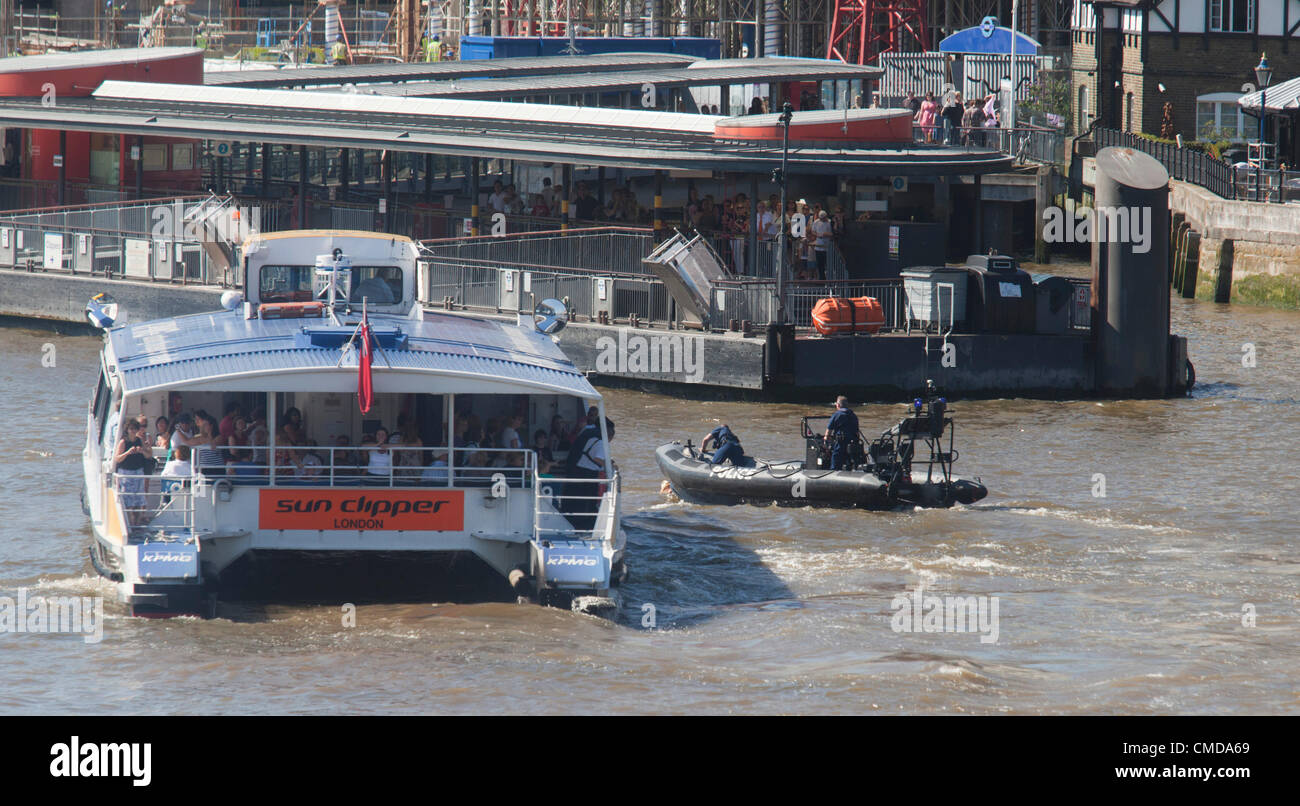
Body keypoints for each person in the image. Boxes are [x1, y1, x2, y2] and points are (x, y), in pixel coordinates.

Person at [561, 410, 611, 531]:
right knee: (586, 501)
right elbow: (598, 458)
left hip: (576, 471)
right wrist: (610, 466)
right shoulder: (599, 441)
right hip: (586, 474)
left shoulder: (589, 433)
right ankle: (586, 525)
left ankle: (573, 521)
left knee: (576, 500)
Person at [114, 419, 152, 524]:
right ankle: (129, 524)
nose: (133, 431)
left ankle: (137, 524)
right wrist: (127, 453)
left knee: (138, 501)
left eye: (135, 428)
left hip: (138, 472)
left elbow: (148, 455)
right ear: (127, 429)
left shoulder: (139, 440)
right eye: (131, 429)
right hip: (126, 473)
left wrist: (142, 450)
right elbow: (117, 458)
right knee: (128, 502)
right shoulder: (123, 442)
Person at [823, 396, 861, 471]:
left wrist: (825, 441)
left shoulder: (836, 415)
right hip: (852, 445)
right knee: (850, 463)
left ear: (838, 405)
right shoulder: (853, 415)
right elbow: (857, 432)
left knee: (835, 464)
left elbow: (828, 432)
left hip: (840, 444)